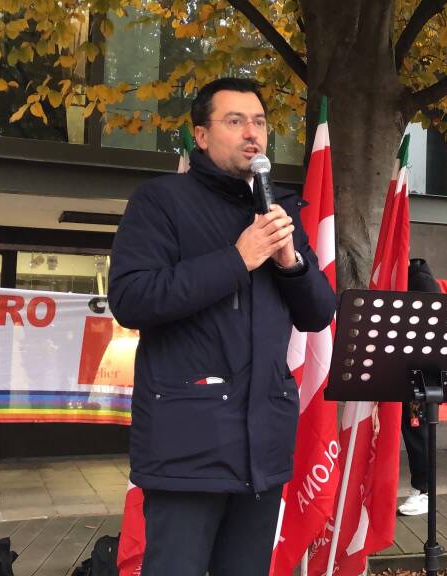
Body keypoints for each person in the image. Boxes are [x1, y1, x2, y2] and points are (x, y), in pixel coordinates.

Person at [108, 77, 335, 576]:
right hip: (187, 446)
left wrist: (290, 261)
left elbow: (319, 313)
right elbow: (131, 298)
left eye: (259, 122)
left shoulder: (279, 212)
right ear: (202, 136)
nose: (251, 133)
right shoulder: (161, 201)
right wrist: (238, 258)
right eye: (235, 121)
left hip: (263, 447)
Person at [397, 257, 440, 516]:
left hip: (420, 376)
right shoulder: (403, 278)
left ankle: (423, 490)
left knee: (418, 430)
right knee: (412, 429)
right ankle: (421, 488)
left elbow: (430, 323)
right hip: (404, 370)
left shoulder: (420, 281)